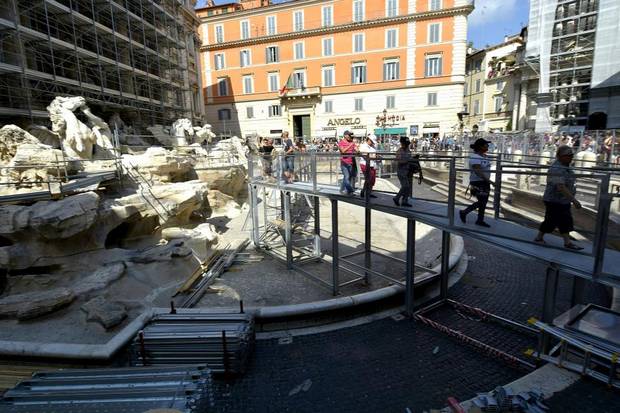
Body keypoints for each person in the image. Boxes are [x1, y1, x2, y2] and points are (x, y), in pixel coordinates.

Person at [534, 146, 583, 250]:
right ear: (559, 156)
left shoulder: (566, 166)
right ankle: (539, 237)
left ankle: (567, 243)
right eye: (567, 155)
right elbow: (560, 187)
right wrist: (574, 200)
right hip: (554, 200)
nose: (570, 157)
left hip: (563, 200)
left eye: (571, 155)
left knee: (564, 220)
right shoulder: (556, 168)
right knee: (551, 221)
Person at [459, 138, 494, 228]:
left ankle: (480, 220)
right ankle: (464, 212)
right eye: (486, 145)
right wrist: (489, 181)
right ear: (480, 147)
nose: (488, 146)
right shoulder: (475, 157)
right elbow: (478, 171)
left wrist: (487, 181)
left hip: (484, 182)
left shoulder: (484, 156)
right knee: (482, 201)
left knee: (484, 201)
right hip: (478, 182)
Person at [393, 136, 413, 207]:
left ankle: (405, 200)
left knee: (407, 187)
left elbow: (409, 158)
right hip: (401, 171)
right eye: (405, 144)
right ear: (402, 143)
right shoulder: (399, 151)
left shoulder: (408, 150)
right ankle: (397, 198)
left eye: (407, 144)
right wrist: (407, 161)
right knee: (405, 186)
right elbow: (399, 161)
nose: (406, 145)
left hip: (407, 171)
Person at [338, 130, 358, 195]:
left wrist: (357, 149)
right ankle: (350, 190)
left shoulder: (352, 142)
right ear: (345, 135)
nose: (350, 136)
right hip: (344, 162)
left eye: (350, 135)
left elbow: (357, 150)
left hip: (351, 162)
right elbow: (343, 151)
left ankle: (343, 190)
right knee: (347, 176)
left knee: (347, 177)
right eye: (349, 135)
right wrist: (350, 145)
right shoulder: (341, 142)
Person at [359, 134, 378, 198]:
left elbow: (374, 155)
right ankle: (365, 192)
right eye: (372, 141)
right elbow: (364, 155)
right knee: (368, 179)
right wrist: (373, 156)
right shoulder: (363, 146)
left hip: (372, 164)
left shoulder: (373, 146)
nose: (372, 143)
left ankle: (367, 192)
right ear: (369, 140)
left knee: (372, 180)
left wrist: (375, 156)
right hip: (365, 164)